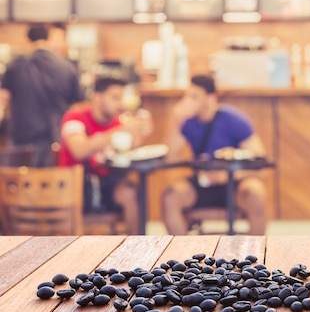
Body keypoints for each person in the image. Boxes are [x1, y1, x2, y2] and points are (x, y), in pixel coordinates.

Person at [161, 74, 267, 235]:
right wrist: (176, 120)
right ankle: (182, 255)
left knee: (256, 193)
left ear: (211, 98)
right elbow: (170, 157)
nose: (188, 101)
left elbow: (261, 162)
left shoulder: (234, 119)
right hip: (202, 184)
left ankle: (257, 252)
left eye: (194, 97)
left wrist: (228, 176)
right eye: (187, 96)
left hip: (235, 184)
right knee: (170, 197)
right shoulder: (187, 122)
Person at [58, 77, 151, 235]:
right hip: (77, 190)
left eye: (121, 98)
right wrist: (121, 132)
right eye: (115, 98)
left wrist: (140, 133)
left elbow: (129, 152)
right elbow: (79, 150)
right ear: (97, 97)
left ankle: (139, 247)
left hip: (106, 187)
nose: (120, 104)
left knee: (133, 193)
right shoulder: (75, 118)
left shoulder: (117, 123)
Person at [0, 24, 83, 166]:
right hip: (55, 138)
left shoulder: (15, 65)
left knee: (21, 183)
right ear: (48, 39)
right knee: (49, 183)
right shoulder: (66, 66)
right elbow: (78, 106)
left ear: (27, 41)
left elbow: (4, 98)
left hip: (22, 138)